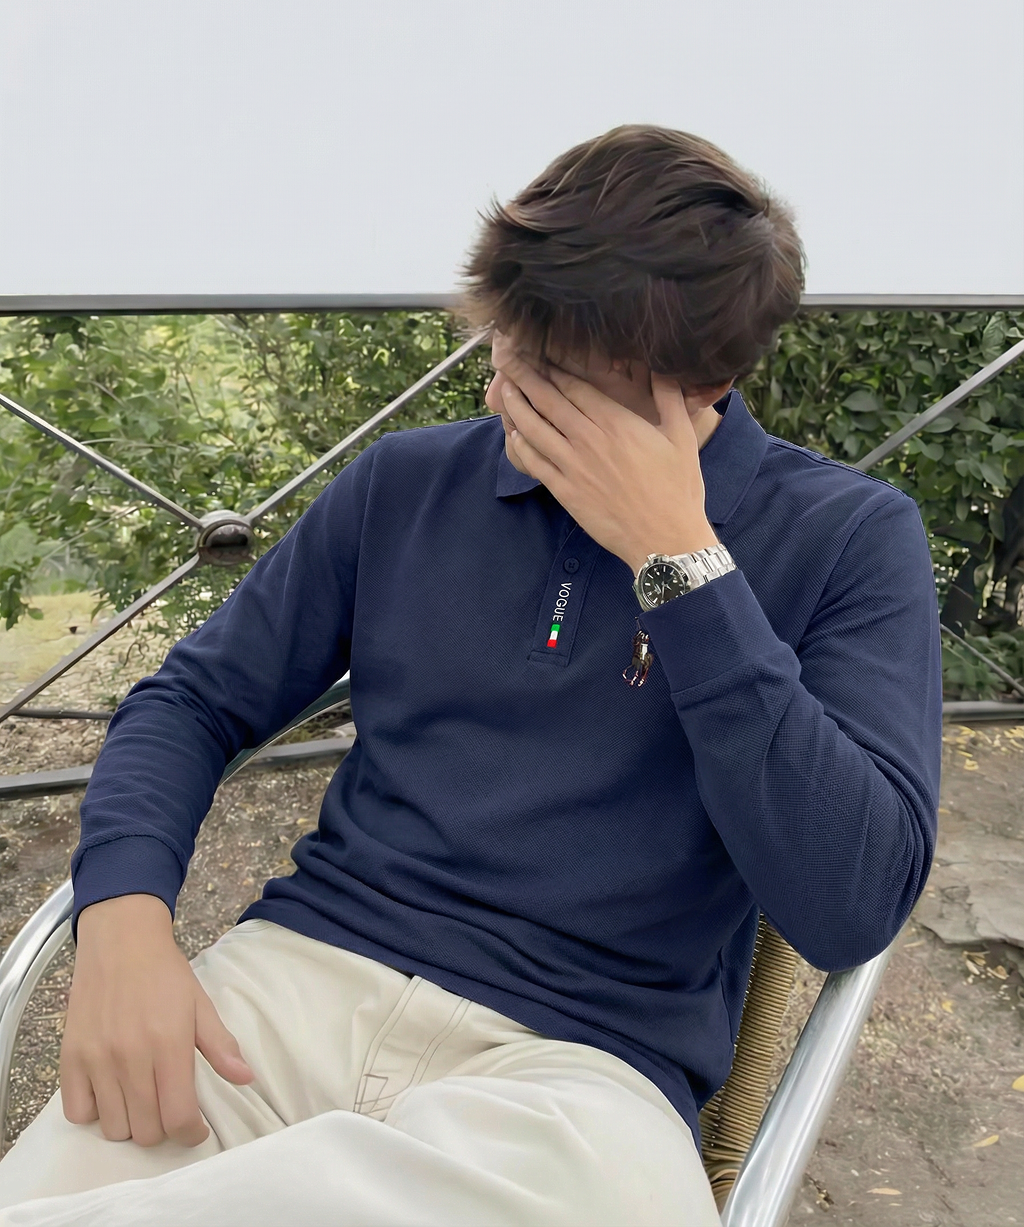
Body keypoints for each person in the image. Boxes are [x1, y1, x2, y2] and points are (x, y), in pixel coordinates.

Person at [0, 126, 941, 1227]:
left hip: (579, 1078)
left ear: (702, 384)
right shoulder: (407, 484)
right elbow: (191, 701)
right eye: (504, 345)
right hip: (291, 993)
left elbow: (849, 905)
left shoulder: (847, 538)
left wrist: (680, 562)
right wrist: (123, 921)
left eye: (549, 374)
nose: (501, 393)